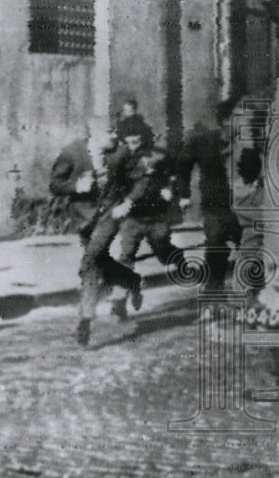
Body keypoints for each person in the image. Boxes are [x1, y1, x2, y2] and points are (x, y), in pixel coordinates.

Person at [75, 115, 155, 346]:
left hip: (110, 215)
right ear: (95, 135)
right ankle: (130, 280)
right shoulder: (78, 154)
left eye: (114, 132)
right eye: (109, 133)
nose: (115, 136)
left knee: (90, 261)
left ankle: (86, 318)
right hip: (85, 219)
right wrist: (76, 187)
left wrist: (127, 202)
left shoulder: (120, 154)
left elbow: (141, 180)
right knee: (96, 264)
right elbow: (59, 184)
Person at [110, 146, 187, 319]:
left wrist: (171, 192)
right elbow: (115, 188)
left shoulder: (162, 164)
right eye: (129, 137)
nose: (149, 166)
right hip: (132, 220)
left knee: (163, 251)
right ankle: (119, 302)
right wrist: (118, 206)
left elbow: (175, 179)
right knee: (125, 257)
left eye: (138, 137)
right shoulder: (124, 166)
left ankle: (178, 258)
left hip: (156, 219)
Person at [177, 100, 245, 290]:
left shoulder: (249, 142)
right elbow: (183, 166)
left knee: (251, 250)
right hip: (215, 206)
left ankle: (252, 296)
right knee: (216, 248)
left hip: (244, 207)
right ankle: (214, 294)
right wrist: (184, 195)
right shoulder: (202, 141)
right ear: (224, 121)